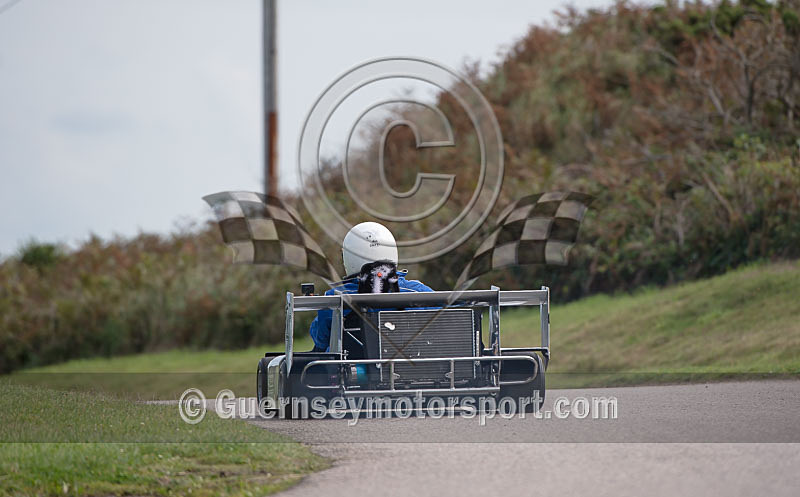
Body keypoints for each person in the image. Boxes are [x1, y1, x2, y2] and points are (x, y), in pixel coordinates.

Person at [308, 222, 433, 351]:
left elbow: (320, 340)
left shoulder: (334, 298)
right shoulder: (418, 291)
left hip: (352, 367)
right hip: (407, 367)